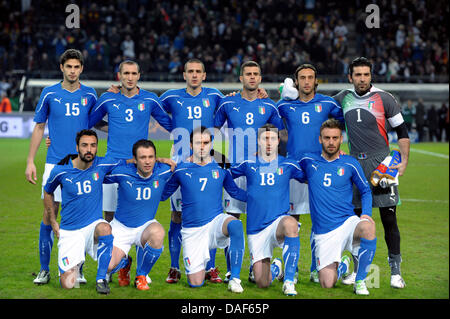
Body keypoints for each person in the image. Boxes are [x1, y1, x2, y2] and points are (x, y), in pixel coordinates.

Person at [333, 57, 410, 289]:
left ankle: (395, 272)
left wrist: (404, 161)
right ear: (350, 77)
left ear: (371, 76)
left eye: (366, 74)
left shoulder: (385, 98)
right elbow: (319, 110)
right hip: (355, 165)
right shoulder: (341, 98)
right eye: (358, 75)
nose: (362, 78)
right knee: (356, 222)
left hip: (383, 164)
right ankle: (358, 272)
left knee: (389, 218)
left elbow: (402, 130)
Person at [25, 49, 98, 285]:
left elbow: (102, 121)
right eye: (69, 67)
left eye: (77, 67)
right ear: (61, 68)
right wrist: (30, 161)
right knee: (49, 215)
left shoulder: (90, 94)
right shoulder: (49, 93)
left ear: (82, 69)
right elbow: (38, 127)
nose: (73, 71)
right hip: (54, 163)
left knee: (81, 218)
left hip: (82, 166)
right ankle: (44, 270)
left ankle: (78, 268)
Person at [214, 61, 285, 281]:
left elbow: (280, 136)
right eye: (248, 74)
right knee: (232, 220)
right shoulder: (228, 103)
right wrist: (220, 159)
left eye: (256, 74)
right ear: (241, 78)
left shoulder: (269, 107)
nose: (252, 77)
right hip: (235, 172)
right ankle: (230, 269)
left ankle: (264, 266)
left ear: (260, 78)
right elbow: (212, 132)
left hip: (261, 173)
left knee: (262, 220)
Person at [159, 58, 224, 284]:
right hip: (180, 163)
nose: (194, 75)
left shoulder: (214, 95)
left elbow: (230, 109)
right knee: (177, 215)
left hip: (208, 160)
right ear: (184, 74)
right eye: (190, 71)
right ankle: (174, 267)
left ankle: (211, 267)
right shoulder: (170, 96)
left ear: (204, 75)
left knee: (211, 213)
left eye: (198, 72)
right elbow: (150, 108)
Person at [278, 63, 344, 283]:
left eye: (310, 77)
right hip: (294, 170)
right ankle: (292, 270)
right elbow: (265, 113)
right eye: (302, 78)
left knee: (321, 220)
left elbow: (344, 124)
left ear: (316, 80)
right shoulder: (285, 106)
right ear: (296, 82)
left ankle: (317, 267)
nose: (306, 81)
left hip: (320, 170)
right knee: (291, 220)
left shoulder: (328, 103)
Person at [161, 126, 247, 293]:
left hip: (215, 224)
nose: (202, 146)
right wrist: (156, 171)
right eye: (198, 143)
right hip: (192, 231)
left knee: (235, 224)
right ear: (191, 145)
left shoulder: (221, 168)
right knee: (195, 283)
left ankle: (235, 278)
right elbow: (163, 195)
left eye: (206, 143)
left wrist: (258, 197)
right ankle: (198, 270)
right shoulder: (180, 169)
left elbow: (235, 192)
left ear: (211, 144)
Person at [298, 119, 377, 295]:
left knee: (368, 227)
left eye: (335, 138)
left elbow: (365, 190)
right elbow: (289, 170)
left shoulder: (350, 163)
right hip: (325, 232)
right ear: (320, 139)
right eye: (327, 138)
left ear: (341, 139)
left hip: (347, 223)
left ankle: (360, 280)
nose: (331, 142)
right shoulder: (308, 161)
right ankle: (342, 265)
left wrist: (365, 214)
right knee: (327, 283)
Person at [89, 60, 173, 223]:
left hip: (140, 165)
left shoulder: (150, 99)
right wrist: (112, 127)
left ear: (139, 76)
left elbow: (170, 125)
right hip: (113, 163)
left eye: (134, 73)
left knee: (141, 216)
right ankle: (112, 248)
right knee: (109, 218)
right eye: (126, 73)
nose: (130, 77)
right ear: (119, 76)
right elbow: (89, 122)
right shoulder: (108, 98)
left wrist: (192, 140)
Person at [43, 129, 122, 294]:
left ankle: (101, 279)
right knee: (69, 284)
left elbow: (133, 162)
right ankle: (78, 261)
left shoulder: (102, 164)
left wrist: (159, 159)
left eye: (93, 145)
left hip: (93, 226)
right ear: (77, 147)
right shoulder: (61, 170)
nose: (89, 149)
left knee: (105, 228)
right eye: (85, 145)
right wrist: (53, 221)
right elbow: (47, 191)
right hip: (70, 230)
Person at [228, 124, 303, 296]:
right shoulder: (248, 163)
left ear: (278, 141)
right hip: (256, 229)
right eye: (265, 138)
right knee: (263, 283)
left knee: (291, 224)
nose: (269, 142)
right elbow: (225, 175)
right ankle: (276, 267)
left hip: (278, 223)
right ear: (258, 141)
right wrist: (241, 194)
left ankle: (289, 281)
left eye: (273, 138)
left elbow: (311, 177)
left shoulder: (288, 164)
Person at [104, 139, 171, 290]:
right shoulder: (122, 172)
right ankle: (125, 262)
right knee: (107, 266)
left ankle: (141, 275)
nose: (147, 161)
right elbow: (100, 173)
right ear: (134, 159)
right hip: (122, 227)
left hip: (145, 227)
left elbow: (181, 169)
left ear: (155, 158)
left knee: (158, 233)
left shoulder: (164, 171)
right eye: (142, 157)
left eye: (151, 157)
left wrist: (165, 160)